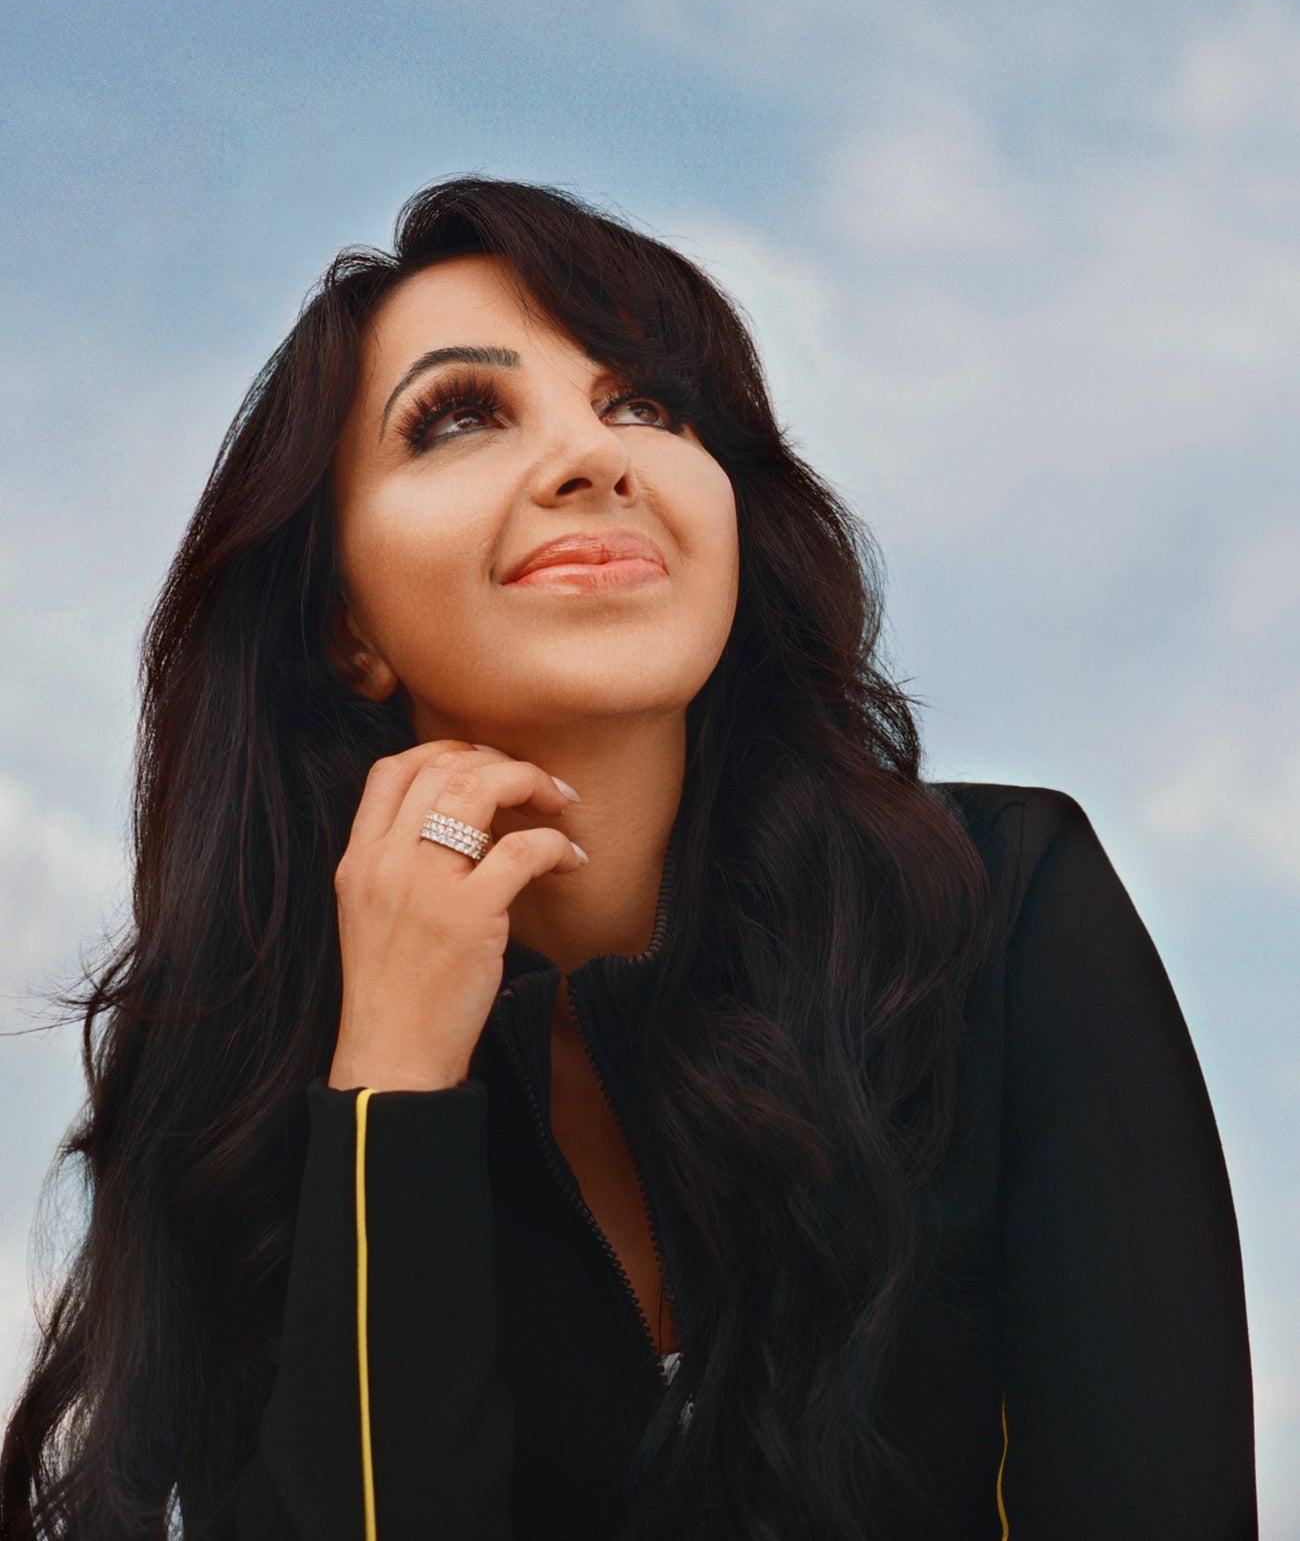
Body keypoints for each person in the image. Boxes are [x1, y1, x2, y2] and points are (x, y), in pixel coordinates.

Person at [0, 178, 1257, 1541]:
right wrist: (389, 1087)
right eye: (461, 415)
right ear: (344, 625)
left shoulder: (1003, 916)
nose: (593, 457)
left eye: (645, 405)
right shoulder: (236, 1084)